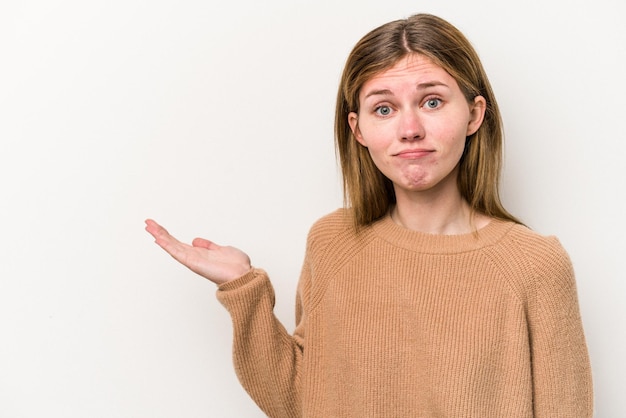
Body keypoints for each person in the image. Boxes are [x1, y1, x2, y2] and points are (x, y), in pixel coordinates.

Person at [145, 13, 593, 417]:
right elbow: (303, 401)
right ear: (358, 129)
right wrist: (242, 288)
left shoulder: (535, 265)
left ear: (474, 114)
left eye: (432, 101)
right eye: (384, 108)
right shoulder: (333, 242)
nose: (410, 128)